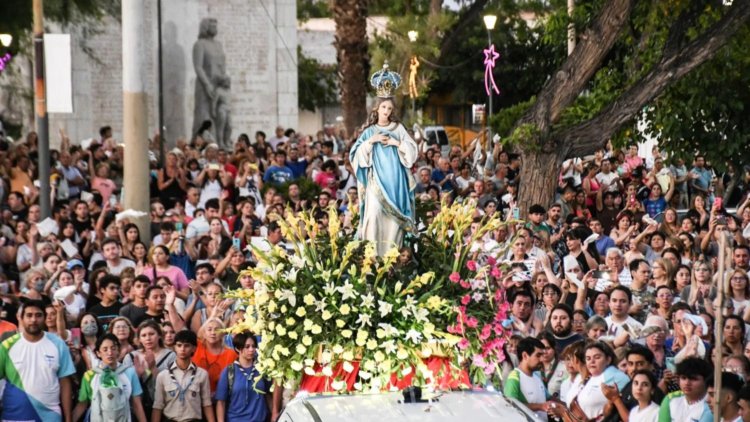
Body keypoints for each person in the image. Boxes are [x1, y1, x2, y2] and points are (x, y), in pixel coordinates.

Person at [349, 64, 418, 256]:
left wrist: (397, 143)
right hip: (376, 181)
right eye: (383, 107)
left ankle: (391, 261)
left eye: (389, 107)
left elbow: (412, 153)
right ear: (377, 108)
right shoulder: (369, 131)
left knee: (393, 222)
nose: (386, 111)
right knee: (373, 215)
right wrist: (371, 141)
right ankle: (372, 260)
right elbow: (355, 155)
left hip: (395, 181)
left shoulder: (398, 129)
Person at [0, 300, 75, 421]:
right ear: (21, 318)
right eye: (29, 315)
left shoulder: (58, 344)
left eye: (38, 315)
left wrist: (68, 418)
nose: (33, 320)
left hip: (50, 415)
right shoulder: (7, 345)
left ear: (45, 318)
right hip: (14, 416)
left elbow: (65, 382)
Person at [73, 333, 148, 422]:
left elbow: (137, 404)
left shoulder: (129, 372)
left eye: (113, 348)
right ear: (98, 353)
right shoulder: (90, 375)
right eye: (105, 349)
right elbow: (82, 404)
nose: (110, 352)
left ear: (118, 351)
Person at [152, 330, 215, 422]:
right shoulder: (163, 375)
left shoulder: (201, 374)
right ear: (174, 348)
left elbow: (206, 403)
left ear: (194, 348)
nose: (182, 349)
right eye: (179, 345)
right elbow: (158, 406)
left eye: (187, 345)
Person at [216, 332, 277, 422]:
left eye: (253, 346)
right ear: (238, 348)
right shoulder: (229, 371)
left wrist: (274, 415)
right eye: (247, 346)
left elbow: (268, 395)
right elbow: (221, 402)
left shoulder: (261, 369)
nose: (251, 349)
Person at [503, 337, 551, 421]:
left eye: (542, 355)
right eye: (538, 355)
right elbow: (510, 405)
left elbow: (548, 398)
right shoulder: (514, 377)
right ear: (525, 355)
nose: (542, 359)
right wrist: (540, 406)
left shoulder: (537, 376)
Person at [658, 357, 713, 422]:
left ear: (706, 381)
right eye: (683, 378)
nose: (687, 383)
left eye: (693, 379)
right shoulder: (670, 399)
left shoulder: (712, 404)